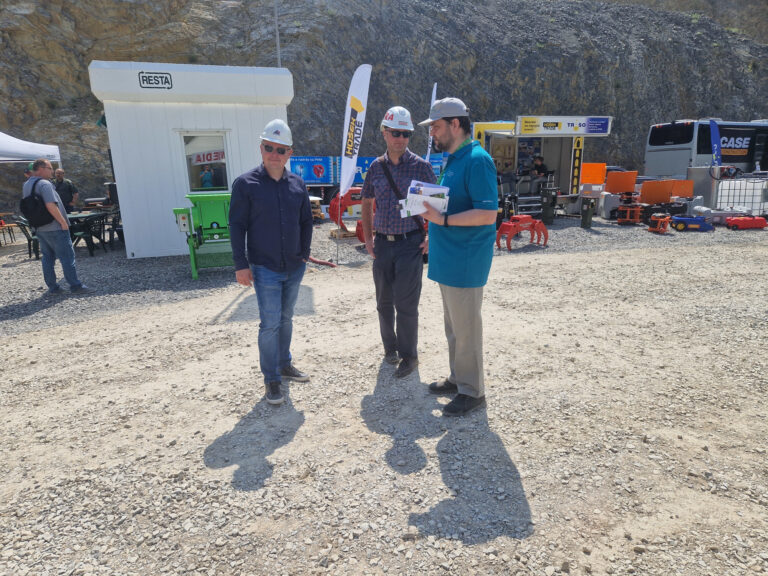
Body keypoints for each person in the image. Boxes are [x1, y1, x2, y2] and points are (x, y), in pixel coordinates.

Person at [418, 98, 498, 417]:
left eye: (436, 127)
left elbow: (487, 213)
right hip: (449, 258)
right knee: (454, 327)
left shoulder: (477, 160)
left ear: (455, 124)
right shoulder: (454, 160)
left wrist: (443, 221)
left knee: (466, 330)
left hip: (465, 260)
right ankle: (458, 378)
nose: (432, 133)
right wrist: (433, 228)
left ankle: (472, 390)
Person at [229, 119, 313, 407]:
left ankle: (284, 364)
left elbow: (306, 221)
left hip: (294, 266)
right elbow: (236, 225)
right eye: (269, 148)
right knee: (270, 324)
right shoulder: (245, 184)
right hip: (264, 267)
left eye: (280, 149)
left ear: (290, 153)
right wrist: (241, 264)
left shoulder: (298, 184)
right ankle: (272, 379)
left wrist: (304, 253)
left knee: (286, 319)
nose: (274, 154)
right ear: (261, 148)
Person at [360, 106, 436, 379]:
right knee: (383, 302)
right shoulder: (375, 167)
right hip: (382, 244)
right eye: (395, 133)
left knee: (406, 304)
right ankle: (389, 349)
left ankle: (409, 356)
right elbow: (366, 202)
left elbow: (436, 205)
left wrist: (430, 235)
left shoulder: (421, 167)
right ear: (384, 132)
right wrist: (368, 238)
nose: (400, 139)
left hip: (409, 244)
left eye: (406, 134)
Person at [22, 159, 93, 294]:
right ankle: (75, 286)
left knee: (47, 257)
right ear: (41, 169)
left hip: (39, 227)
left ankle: (53, 287)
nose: (52, 172)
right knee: (67, 257)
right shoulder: (45, 184)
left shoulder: (26, 185)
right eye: (50, 168)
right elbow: (51, 205)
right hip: (54, 226)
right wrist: (63, 222)